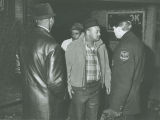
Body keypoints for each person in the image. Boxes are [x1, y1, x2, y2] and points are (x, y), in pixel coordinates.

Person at [19, 3, 66, 120]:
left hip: (28, 101)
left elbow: (18, 69)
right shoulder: (52, 45)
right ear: (51, 20)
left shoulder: (23, 40)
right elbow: (54, 82)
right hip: (47, 107)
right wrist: (64, 95)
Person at [65, 18, 111, 120]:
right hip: (79, 89)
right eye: (97, 31)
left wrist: (107, 81)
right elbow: (67, 67)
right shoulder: (73, 46)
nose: (99, 34)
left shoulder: (101, 46)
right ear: (88, 32)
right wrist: (68, 84)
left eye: (99, 31)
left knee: (93, 117)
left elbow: (106, 65)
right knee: (78, 117)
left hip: (96, 88)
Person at [101, 18, 145, 120]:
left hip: (124, 105)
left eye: (114, 28)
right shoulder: (136, 42)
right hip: (132, 98)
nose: (114, 31)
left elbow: (123, 80)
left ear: (119, 28)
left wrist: (115, 107)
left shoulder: (125, 46)